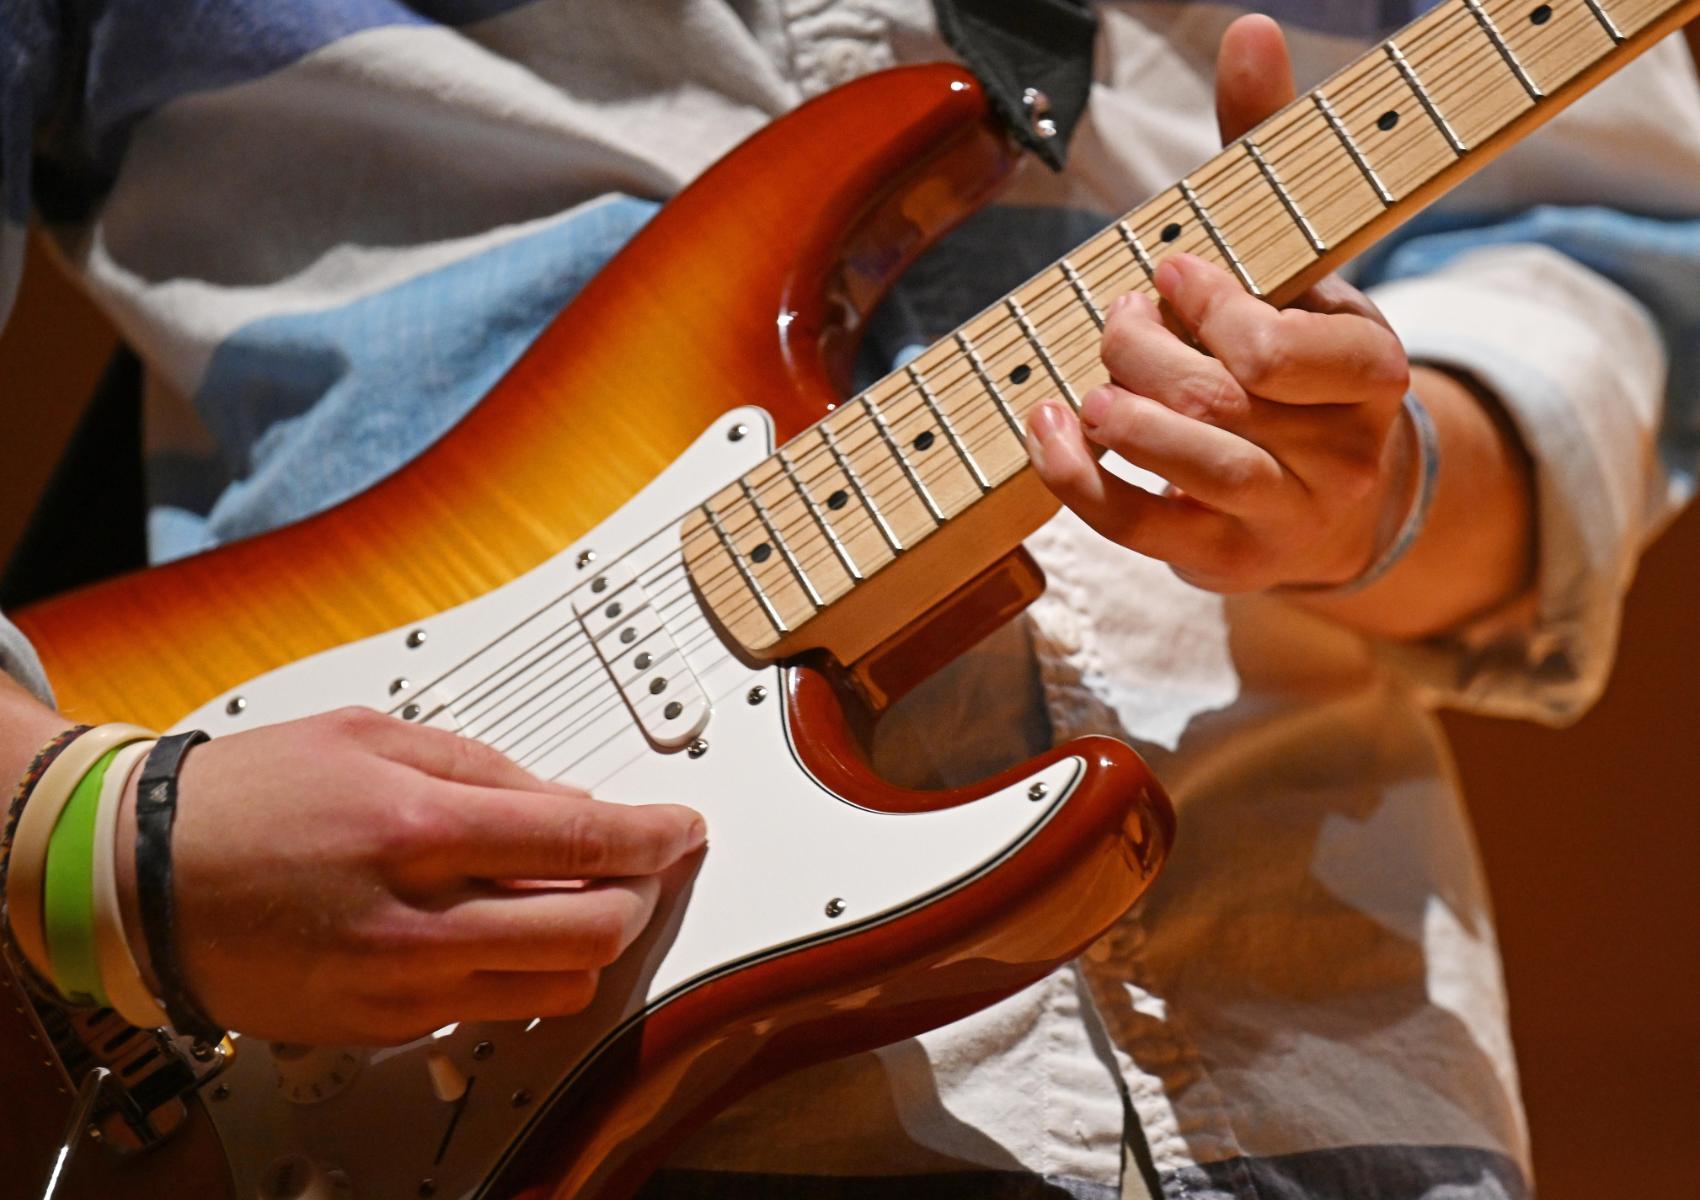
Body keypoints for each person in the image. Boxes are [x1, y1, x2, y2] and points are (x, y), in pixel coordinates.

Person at [2, 2, 1697, 1197]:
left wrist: (1381, 483)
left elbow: (1612, 257)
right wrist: (93, 838)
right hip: (436, 1070)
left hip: (1317, 1085)